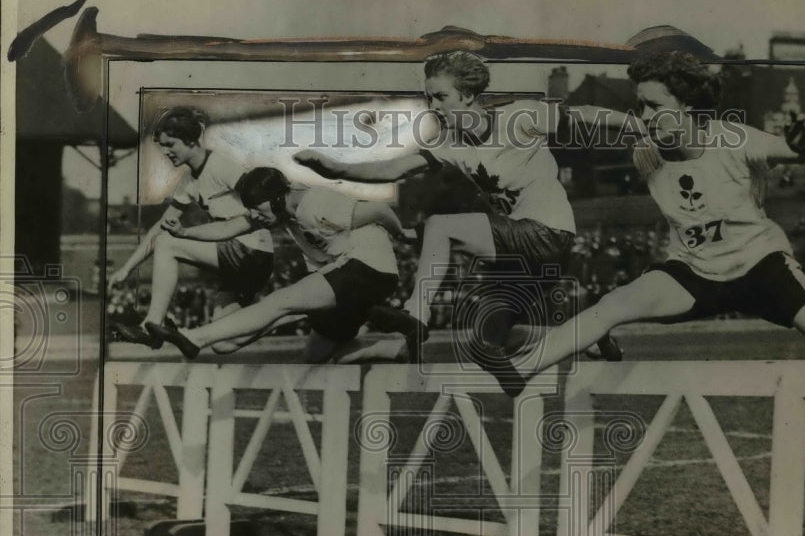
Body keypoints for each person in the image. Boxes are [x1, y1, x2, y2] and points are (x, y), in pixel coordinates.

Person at [474, 51, 805, 397]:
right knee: (613, 304)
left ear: (688, 106)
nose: (643, 115)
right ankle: (518, 370)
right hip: (694, 272)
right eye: (639, 104)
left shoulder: (733, 139)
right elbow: (585, 116)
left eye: (654, 105)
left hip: (759, 266)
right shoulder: (646, 146)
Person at [294, 50, 624, 364]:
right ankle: (588, 337)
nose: (433, 106)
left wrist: (644, 126)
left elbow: (586, 114)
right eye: (429, 98)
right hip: (521, 253)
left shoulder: (518, 117)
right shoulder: (450, 145)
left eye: (441, 97)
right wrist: (334, 168)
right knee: (487, 340)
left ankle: (415, 314)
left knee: (440, 226)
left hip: (548, 232)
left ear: (467, 95)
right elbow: (390, 170)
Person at [149, 167, 404, 362]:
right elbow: (229, 227)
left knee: (281, 300)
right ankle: (395, 349)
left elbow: (380, 210)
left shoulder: (314, 203)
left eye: (257, 208)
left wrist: (402, 234)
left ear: (277, 198)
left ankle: (195, 337)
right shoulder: (280, 211)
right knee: (315, 358)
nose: (256, 216)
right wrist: (185, 233)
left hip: (368, 269)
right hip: (347, 280)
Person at [107, 107, 274, 353]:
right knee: (223, 342)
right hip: (240, 263)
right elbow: (159, 226)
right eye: (163, 146)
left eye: (171, 144)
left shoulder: (222, 165)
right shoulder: (188, 181)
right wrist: (126, 268)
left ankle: (151, 325)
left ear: (192, 141)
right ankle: (283, 316)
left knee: (167, 243)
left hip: (252, 251)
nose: (166, 152)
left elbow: (265, 198)